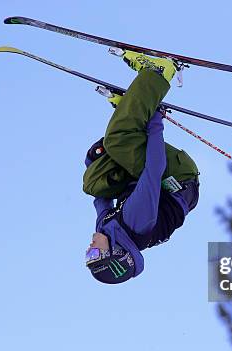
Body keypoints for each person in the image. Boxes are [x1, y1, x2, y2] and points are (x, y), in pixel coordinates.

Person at [82, 50, 200, 284]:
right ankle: (158, 73)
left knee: (93, 183)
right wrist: (155, 121)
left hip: (149, 178)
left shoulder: (106, 229)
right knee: (119, 139)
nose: (89, 247)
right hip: (179, 177)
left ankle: (132, 108)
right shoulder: (138, 221)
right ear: (114, 253)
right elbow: (154, 169)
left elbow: (98, 196)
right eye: (94, 254)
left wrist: (92, 161)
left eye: (88, 255)